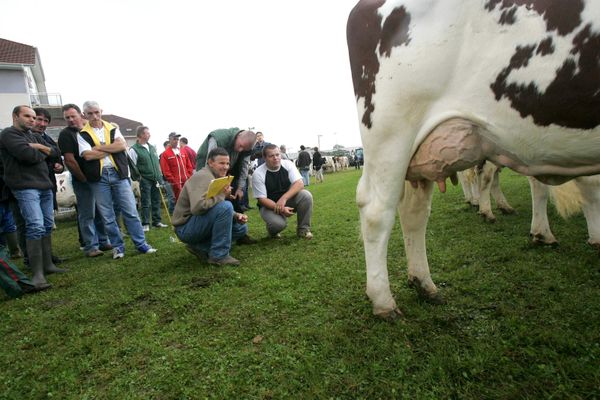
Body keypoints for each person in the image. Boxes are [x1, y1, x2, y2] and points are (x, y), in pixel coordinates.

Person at [77, 101, 156, 259]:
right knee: (107, 215)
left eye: (96, 112)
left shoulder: (112, 128)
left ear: (101, 111)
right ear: (84, 115)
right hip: (98, 178)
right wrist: (110, 148)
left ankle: (141, 244)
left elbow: (121, 145)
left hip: (118, 174)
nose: (94, 116)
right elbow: (87, 155)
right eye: (90, 113)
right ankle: (118, 248)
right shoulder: (82, 134)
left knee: (131, 211)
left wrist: (98, 148)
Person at [0, 106, 64, 289]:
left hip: (44, 185)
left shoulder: (34, 137)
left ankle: (48, 265)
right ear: (15, 116)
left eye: (33, 117)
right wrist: (44, 153)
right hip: (25, 186)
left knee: (45, 225)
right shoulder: (8, 134)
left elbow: (56, 153)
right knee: (34, 225)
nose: (32, 120)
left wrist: (39, 147)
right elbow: (26, 155)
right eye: (27, 116)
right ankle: (37, 275)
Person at [173, 147, 253, 266]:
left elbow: (213, 206)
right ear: (210, 162)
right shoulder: (203, 176)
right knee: (226, 206)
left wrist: (236, 215)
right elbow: (198, 207)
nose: (226, 167)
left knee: (240, 229)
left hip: (197, 223)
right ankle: (218, 256)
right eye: (221, 163)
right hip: (185, 228)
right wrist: (222, 195)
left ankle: (201, 247)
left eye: (227, 163)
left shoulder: (215, 176)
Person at [58, 104, 110, 257]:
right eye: (67, 117)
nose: (71, 120)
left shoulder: (90, 130)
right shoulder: (66, 135)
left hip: (98, 176)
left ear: (81, 115)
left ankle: (103, 240)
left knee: (101, 211)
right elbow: (69, 160)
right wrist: (83, 179)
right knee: (87, 213)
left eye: (73, 116)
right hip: (83, 180)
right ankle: (91, 246)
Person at [252, 144, 313, 239]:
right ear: (264, 157)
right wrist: (281, 208)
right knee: (279, 225)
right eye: (271, 156)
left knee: (306, 195)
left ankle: (303, 230)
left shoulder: (288, 164)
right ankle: (272, 231)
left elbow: (300, 184)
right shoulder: (258, 173)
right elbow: (262, 199)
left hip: (287, 200)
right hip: (268, 205)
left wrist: (284, 198)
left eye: (277, 154)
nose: (276, 158)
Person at [195, 128, 256, 213]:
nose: (239, 150)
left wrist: (240, 188)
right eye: (240, 146)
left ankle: (232, 216)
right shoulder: (218, 138)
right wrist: (216, 188)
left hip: (228, 172)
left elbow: (244, 167)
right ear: (238, 136)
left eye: (243, 149)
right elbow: (210, 165)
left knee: (230, 199)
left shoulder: (247, 149)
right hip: (206, 169)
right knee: (208, 198)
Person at [129, 126, 168, 231]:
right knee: (146, 202)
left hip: (156, 179)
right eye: (147, 133)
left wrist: (159, 176)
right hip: (144, 179)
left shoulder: (152, 147)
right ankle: (145, 223)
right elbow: (132, 166)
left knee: (156, 200)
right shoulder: (134, 149)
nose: (149, 135)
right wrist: (139, 178)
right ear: (141, 135)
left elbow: (156, 163)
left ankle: (157, 221)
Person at [160, 132, 194, 201]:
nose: (176, 141)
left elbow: (189, 165)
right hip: (175, 183)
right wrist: (174, 182)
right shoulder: (165, 154)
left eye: (177, 139)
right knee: (178, 201)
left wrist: (189, 176)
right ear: (170, 140)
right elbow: (166, 171)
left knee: (188, 200)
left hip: (186, 181)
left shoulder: (183, 151)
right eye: (174, 139)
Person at [159, 140, 176, 214]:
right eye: (168, 146)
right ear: (165, 146)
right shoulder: (162, 155)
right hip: (167, 179)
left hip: (175, 178)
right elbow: (162, 168)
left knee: (176, 195)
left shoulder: (174, 154)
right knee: (171, 196)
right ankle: (171, 211)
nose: (170, 147)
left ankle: (176, 210)